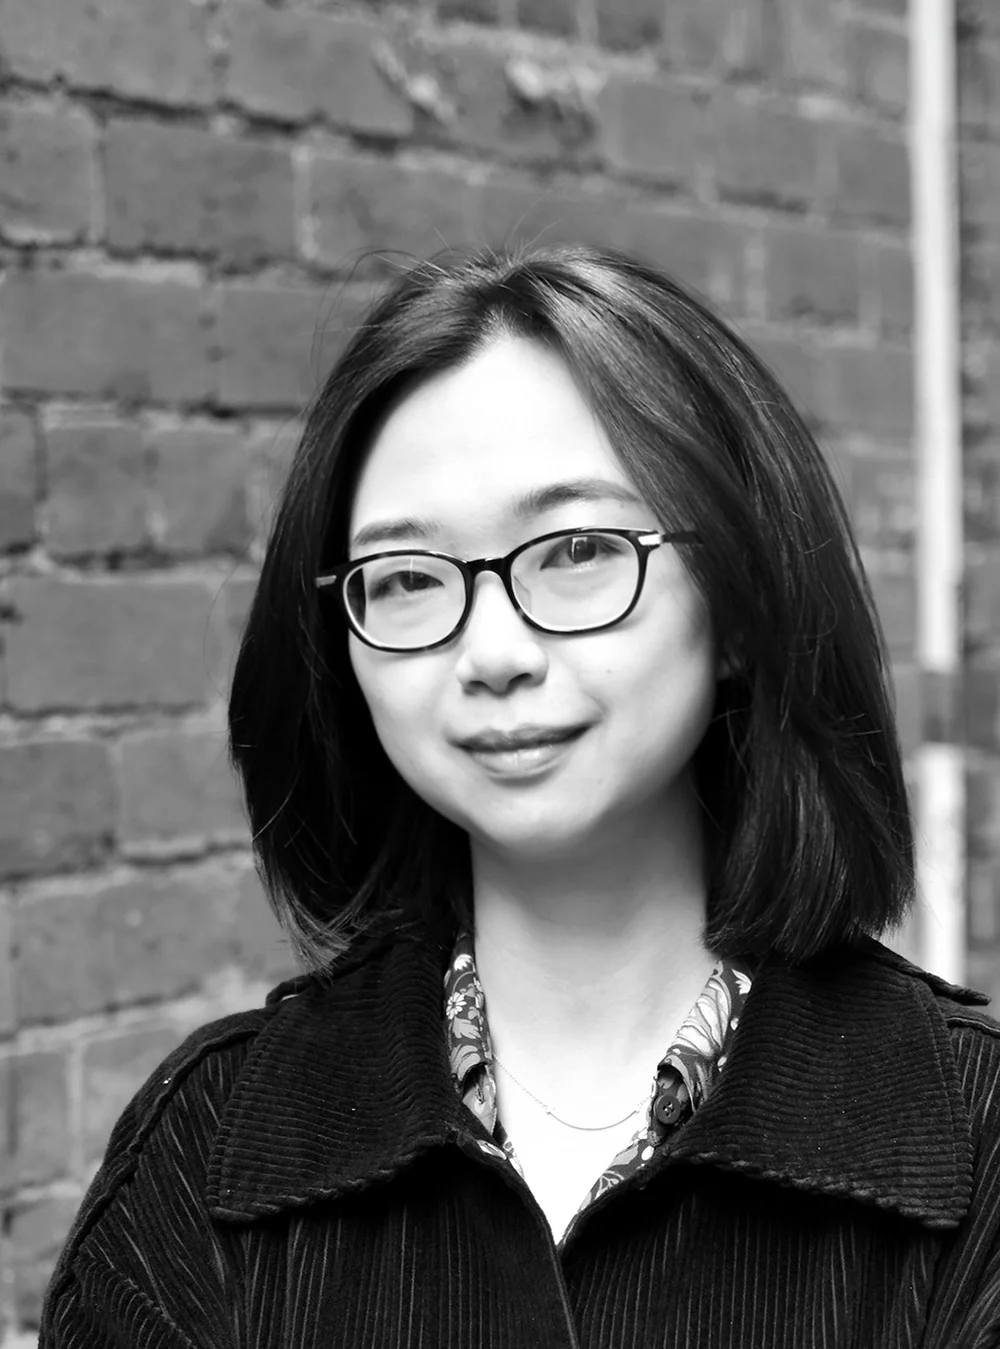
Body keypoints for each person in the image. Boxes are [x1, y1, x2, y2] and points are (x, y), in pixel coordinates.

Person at [40, 243, 1000, 1348]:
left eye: (578, 549)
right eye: (404, 576)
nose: (492, 650)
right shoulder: (205, 1155)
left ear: (738, 601)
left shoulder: (972, 1148)